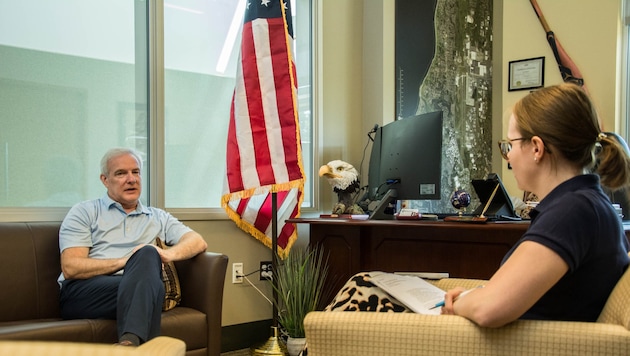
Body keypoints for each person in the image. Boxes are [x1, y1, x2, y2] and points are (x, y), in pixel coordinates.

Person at [440, 83, 630, 326]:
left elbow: (490, 309)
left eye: (511, 144)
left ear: (537, 148)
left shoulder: (572, 213)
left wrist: (459, 303)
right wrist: (473, 296)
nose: (508, 156)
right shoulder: (585, 204)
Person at [58, 147, 208, 346]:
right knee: (149, 283)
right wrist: (126, 262)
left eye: (135, 172)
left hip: (138, 288)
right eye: (121, 173)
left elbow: (198, 241)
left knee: (148, 255)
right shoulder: (85, 211)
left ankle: (129, 344)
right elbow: (71, 267)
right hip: (85, 292)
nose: (131, 179)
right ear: (104, 180)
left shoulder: (157, 216)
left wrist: (166, 254)